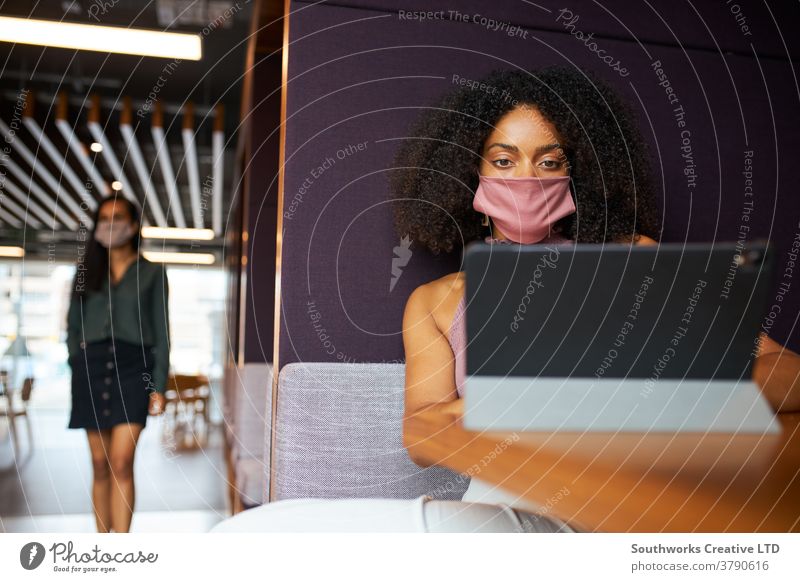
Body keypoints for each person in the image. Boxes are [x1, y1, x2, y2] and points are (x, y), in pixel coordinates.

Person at [392, 67, 800, 509]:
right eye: (504, 161)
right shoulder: (436, 301)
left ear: (578, 172)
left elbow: (787, 370)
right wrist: (532, 403)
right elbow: (421, 436)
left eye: (550, 162)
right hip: (504, 502)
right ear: (471, 169)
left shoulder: (633, 257)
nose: (528, 179)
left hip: (639, 493)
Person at [66, 195, 170, 533]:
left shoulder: (153, 273)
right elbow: (72, 325)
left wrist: (158, 386)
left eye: (118, 218)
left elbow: (162, 333)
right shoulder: (84, 273)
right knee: (99, 464)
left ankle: (121, 548)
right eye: (104, 219)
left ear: (133, 224)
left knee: (122, 462)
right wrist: (75, 359)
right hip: (91, 368)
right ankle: (102, 548)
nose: (110, 226)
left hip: (132, 368)